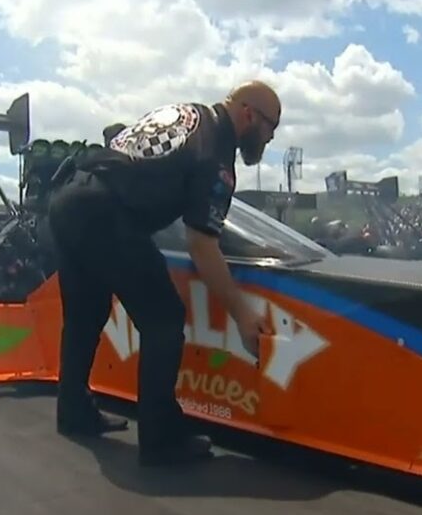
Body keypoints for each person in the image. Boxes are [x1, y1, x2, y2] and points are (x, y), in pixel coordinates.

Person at [46, 80, 279, 466]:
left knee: (85, 315)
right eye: (271, 126)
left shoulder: (186, 112)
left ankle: (72, 412)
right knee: (164, 318)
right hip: (107, 213)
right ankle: (160, 439)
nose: (270, 138)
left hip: (69, 199)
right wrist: (242, 314)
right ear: (248, 114)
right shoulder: (216, 158)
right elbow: (202, 246)